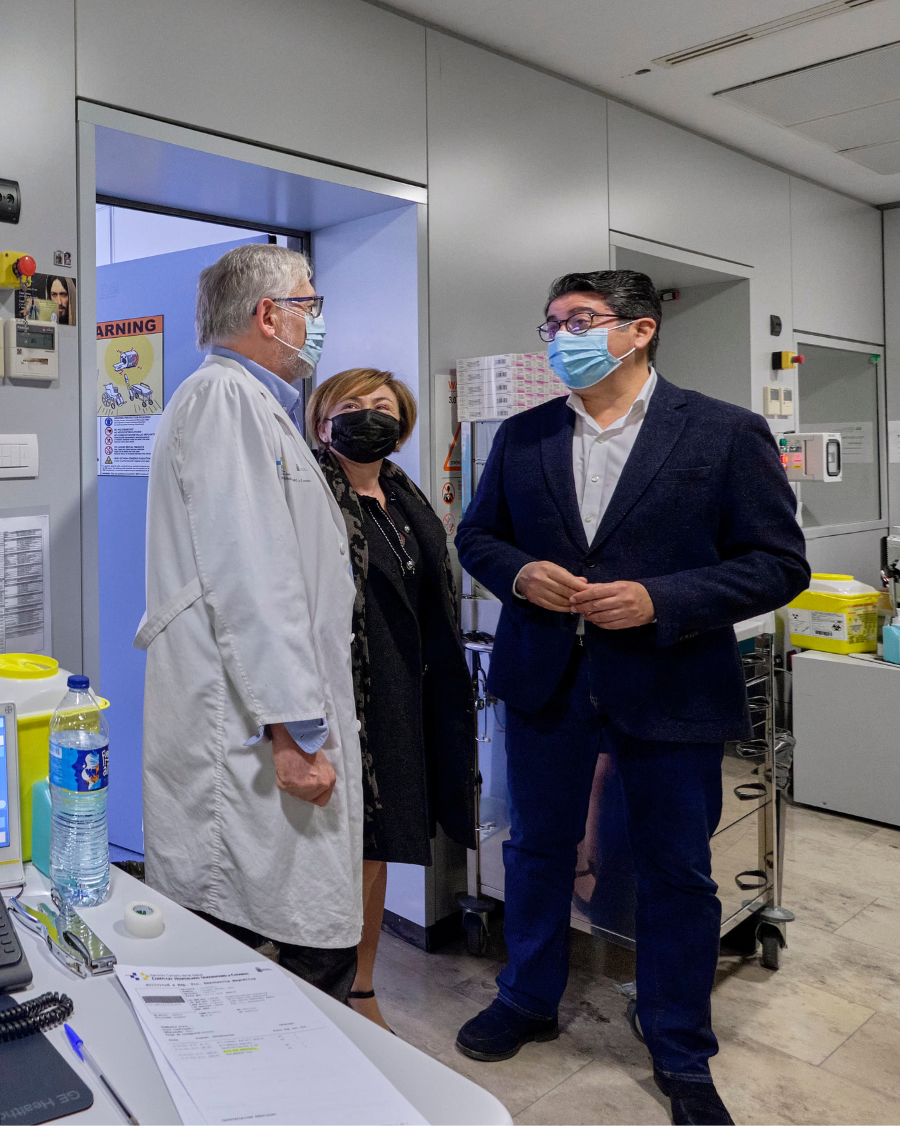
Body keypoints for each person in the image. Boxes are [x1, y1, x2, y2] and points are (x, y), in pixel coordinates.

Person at [455, 270, 808, 1126]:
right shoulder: (526, 433)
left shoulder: (724, 432)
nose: (558, 337)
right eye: (549, 324)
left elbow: (778, 563)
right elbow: (477, 536)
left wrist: (664, 600)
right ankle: (528, 997)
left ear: (639, 330)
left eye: (578, 320)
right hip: (549, 681)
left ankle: (680, 1042)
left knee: (676, 869)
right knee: (537, 849)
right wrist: (518, 574)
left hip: (670, 680)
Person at [135, 243, 364, 1002]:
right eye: (310, 305)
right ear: (269, 315)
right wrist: (295, 731)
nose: (317, 322)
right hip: (249, 726)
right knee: (265, 946)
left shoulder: (257, 406)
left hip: (258, 714)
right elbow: (254, 578)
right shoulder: (224, 400)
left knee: (279, 934)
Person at [308, 368, 473, 1031]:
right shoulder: (310, 496)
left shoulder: (406, 500)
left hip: (405, 693)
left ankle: (362, 983)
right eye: (351, 407)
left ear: (402, 424)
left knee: (376, 849)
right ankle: (319, 985)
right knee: (333, 849)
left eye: (382, 407)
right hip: (340, 692)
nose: (368, 417)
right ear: (322, 421)